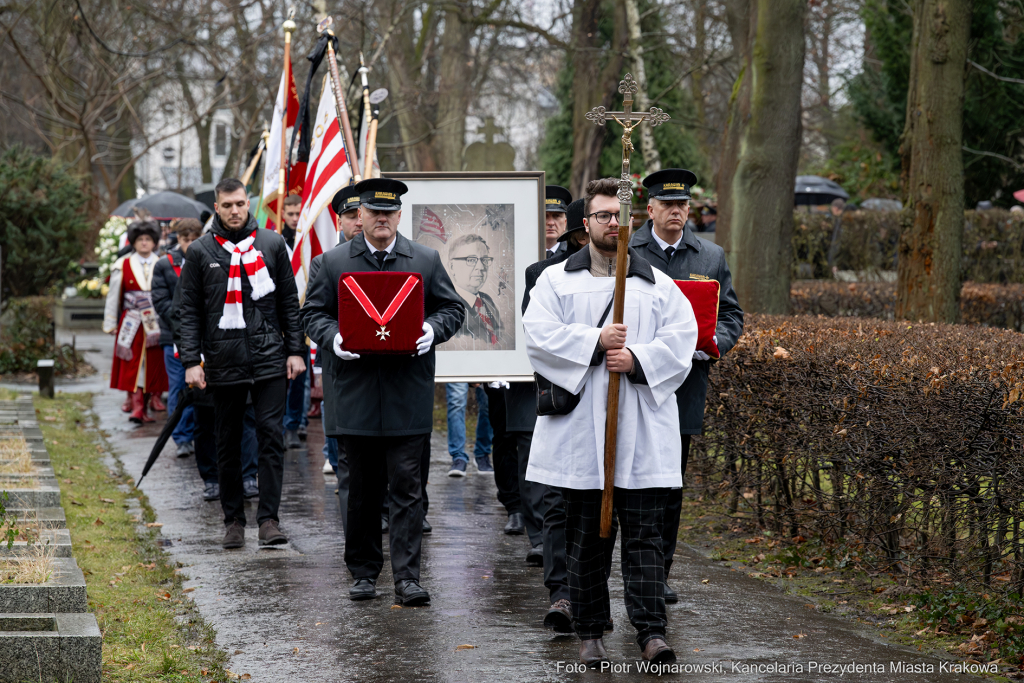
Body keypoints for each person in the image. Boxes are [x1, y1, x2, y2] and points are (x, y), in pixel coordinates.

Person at [524, 177, 698, 667]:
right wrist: (594, 342)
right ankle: (590, 630)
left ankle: (650, 632)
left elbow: (682, 340)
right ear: (587, 224)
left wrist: (638, 360)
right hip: (581, 432)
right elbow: (537, 336)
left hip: (640, 429)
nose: (613, 224)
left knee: (645, 537)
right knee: (586, 538)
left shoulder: (656, 284)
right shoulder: (556, 281)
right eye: (603, 215)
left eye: (621, 217)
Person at [301, 177, 463, 606]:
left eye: (390, 214)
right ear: (360, 216)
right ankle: (364, 572)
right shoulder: (334, 263)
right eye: (373, 213)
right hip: (354, 392)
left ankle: (408, 576)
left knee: (408, 487)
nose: (382, 220)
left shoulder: (424, 259)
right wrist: (332, 337)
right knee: (361, 489)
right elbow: (312, 314)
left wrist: (432, 328)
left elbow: (453, 308)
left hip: (406, 391)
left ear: (398, 216)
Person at [630, 169, 743, 604]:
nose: (676, 211)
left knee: (670, 486)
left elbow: (731, 315)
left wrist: (714, 344)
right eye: (667, 204)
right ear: (651, 208)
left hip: (685, 387)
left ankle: (658, 574)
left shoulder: (709, 256)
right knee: (627, 480)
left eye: (682, 205)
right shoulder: (627, 250)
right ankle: (622, 569)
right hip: (634, 382)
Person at [178, 177, 306, 550]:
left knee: (270, 436)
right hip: (223, 360)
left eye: (240, 204)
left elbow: (288, 302)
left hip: (269, 359)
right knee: (228, 441)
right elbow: (189, 312)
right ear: (216, 208)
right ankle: (233, 519)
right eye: (227, 205)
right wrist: (191, 361)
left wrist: (295, 350)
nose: (235, 211)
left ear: (247, 204)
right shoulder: (200, 252)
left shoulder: (271, 243)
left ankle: (268, 519)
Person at [103, 220, 168, 424]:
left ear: (155, 242)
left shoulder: (162, 263)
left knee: (154, 365)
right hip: (131, 323)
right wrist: (111, 323)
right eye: (140, 239)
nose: (144, 243)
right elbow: (114, 296)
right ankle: (137, 408)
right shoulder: (122, 264)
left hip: (155, 324)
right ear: (133, 242)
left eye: (148, 239)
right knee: (133, 365)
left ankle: (149, 403)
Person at [152, 219, 202, 456]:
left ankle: (198, 433)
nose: (190, 244)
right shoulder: (165, 264)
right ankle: (181, 436)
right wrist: (182, 323)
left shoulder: (205, 258)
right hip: (174, 335)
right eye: (186, 240)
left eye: (195, 239)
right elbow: (160, 301)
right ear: (178, 239)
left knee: (200, 385)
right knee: (178, 385)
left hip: (203, 336)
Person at [544, 185, 572, 259]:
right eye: (545, 216)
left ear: (565, 223)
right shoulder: (525, 251)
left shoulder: (573, 254)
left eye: (556, 216)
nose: (551, 223)